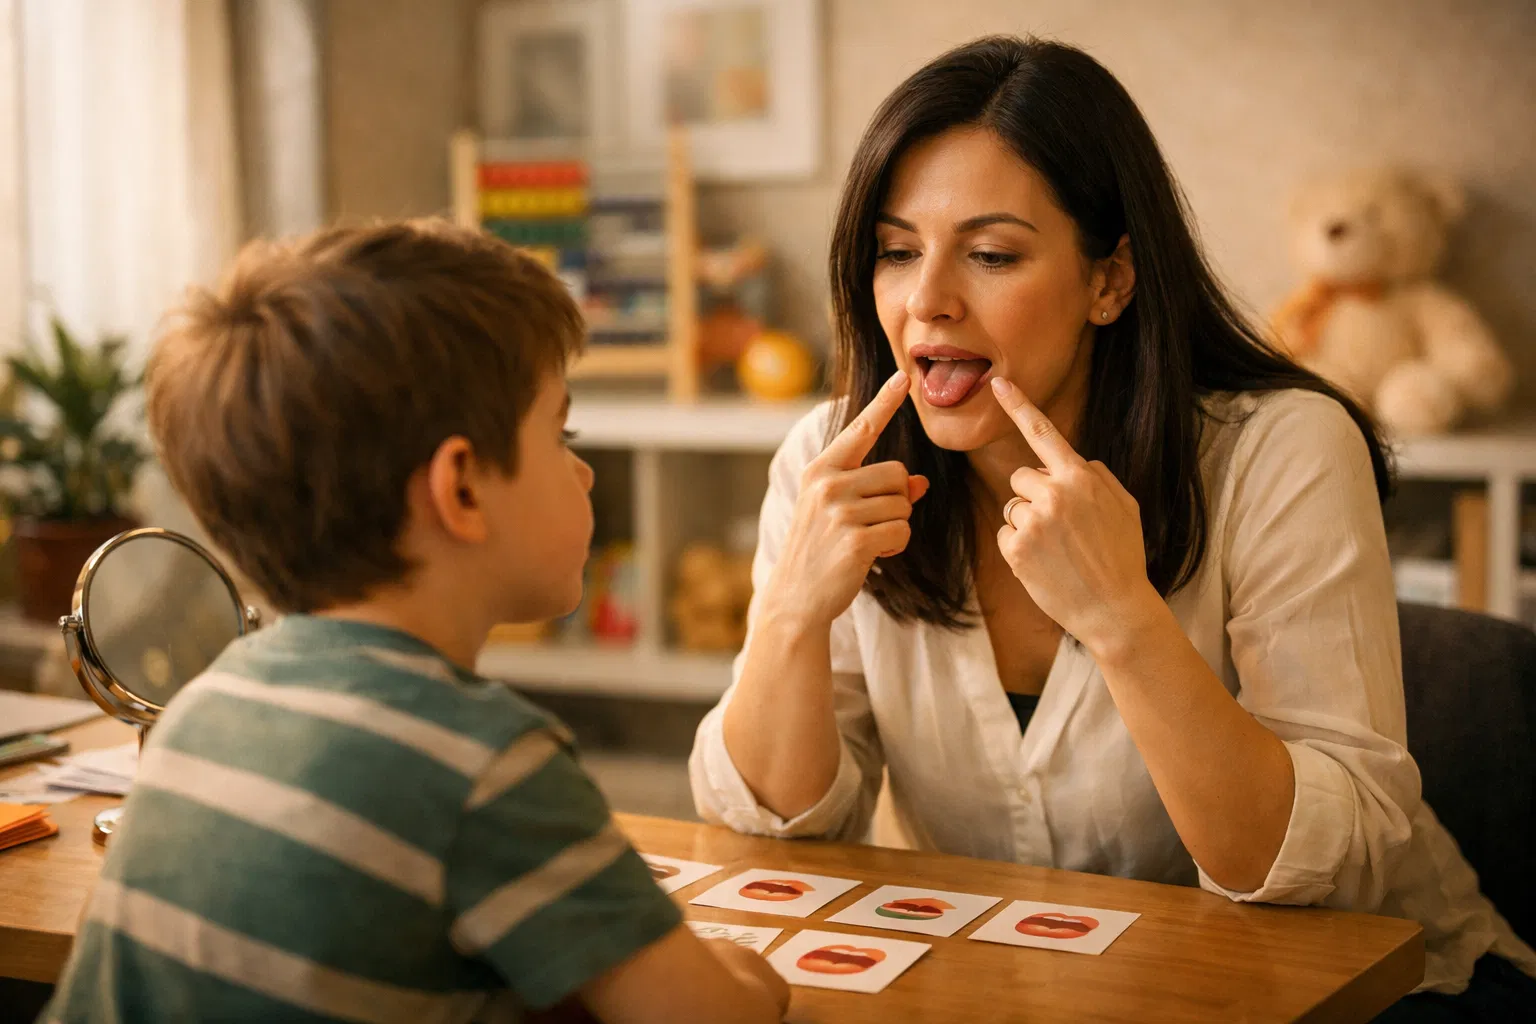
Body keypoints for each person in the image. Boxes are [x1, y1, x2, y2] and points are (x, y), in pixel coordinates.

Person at [689, 35, 1536, 1019]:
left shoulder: (1283, 449)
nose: (926, 302)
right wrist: (790, 613)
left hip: (1376, 992)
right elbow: (780, 831)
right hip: (1035, 991)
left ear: (1110, 281)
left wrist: (1125, 618)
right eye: (896, 250)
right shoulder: (827, 459)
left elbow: (1312, 871)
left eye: (993, 254)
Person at [43, 221, 790, 1024]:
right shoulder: (485, 764)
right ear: (461, 488)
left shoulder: (202, 711)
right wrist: (750, 971)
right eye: (559, 433)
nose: (583, 470)